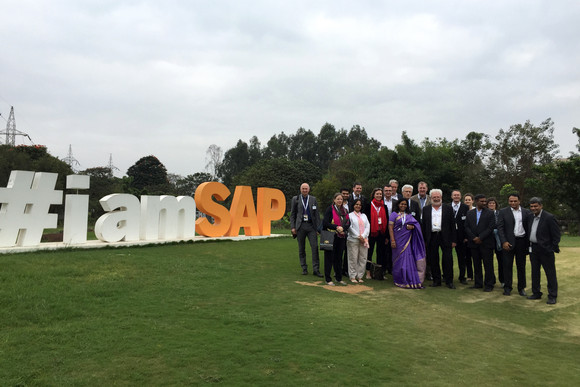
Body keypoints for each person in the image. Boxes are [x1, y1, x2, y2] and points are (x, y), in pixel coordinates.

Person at [526, 197, 560, 305]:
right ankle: (536, 293)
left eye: (536, 206)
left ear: (541, 206)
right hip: (533, 249)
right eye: (531, 206)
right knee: (535, 272)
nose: (533, 208)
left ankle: (552, 296)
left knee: (550, 273)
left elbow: (556, 235)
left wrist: (551, 248)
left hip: (545, 250)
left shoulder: (549, 217)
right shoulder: (530, 217)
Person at [497, 193, 531, 296]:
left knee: (521, 266)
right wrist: (504, 241)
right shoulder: (503, 212)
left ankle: (521, 288)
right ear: (508, 201)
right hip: (508, 242)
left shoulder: (526, 212)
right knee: (507, 266)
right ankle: (507, 288)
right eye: (511, 201)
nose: (513, 203)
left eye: (515, 201)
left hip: (521, 241)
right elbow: (500, 228)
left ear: (519, 201)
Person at [422, 189, 457, 289]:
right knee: (433, 259)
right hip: (432, 236)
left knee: (448, 259)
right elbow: (424, 225)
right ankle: (436, 280)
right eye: (434, 197)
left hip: (445, 236)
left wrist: (454, 240)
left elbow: (452, 225)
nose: (436, 199)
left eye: (438, 197)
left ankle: (449, 281)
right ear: (431, 198)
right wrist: (424, 239)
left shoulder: (448, 208)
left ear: (441, 197)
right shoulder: (426, 209)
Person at [389, 199, 426, 288]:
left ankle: (408, 279)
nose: (403, 206)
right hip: (397, 240)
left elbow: (416, 225)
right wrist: (393, 240)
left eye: (405, 204)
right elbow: (390, 228)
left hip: (407, 241)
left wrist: (412, 226)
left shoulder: (409, 215)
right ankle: (399, 279)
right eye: (402, 204)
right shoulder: (393, 215)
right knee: (398, 260)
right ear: (398, 204)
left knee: (407, 259)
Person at [464, 194, 496, 291]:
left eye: (484, 201)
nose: (484, 203)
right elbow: (466, 227)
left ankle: (489, 284)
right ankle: (478, 283)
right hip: (474, 243)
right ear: (476, 201)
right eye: (481, 201)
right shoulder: (470, 213)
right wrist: (473, 238)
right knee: (476, 264)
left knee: (488, 265)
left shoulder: (490, 213)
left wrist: (480, 237)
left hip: (486, 243)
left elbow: (491, 227)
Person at [290, 183, 322, 277]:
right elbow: (292, 214)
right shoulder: (295, 199)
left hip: (311, 226)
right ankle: (304, 268)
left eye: (306, 189)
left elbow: (317, 215)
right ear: (300, 189)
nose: (304, 190)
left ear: (309, 190)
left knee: (314, 247)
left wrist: (318, 229)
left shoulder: (313, 199)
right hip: (300, 226)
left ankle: (316, 269)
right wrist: (293, 227)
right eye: (303, 189)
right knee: (301, 248)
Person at [322, 193, 351, 286]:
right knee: (329, 258)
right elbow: (325, 223)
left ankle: (339, 278)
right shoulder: (330, 209)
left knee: (339, 258)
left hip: (341, 236)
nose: (339, 201)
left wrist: (343, 228)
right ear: (334, 200)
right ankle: (328, 279)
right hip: (331, 236)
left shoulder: (345, 210)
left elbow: (348, 222)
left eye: (341, 199)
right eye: (338, 199)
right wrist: (336, 227)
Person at [364, 188, 389, 279]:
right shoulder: (368, 206)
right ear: (373, 195)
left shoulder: (384, 206)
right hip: (371, 233)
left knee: (381, 253)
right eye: (377, 194)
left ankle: (379, 273)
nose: (379, 195)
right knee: (369, 252)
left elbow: (386, 221)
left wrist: (387, 236)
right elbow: (365, 221)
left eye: (380, 194)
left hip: (381, 233)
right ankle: (368, 272)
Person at [347, 199, 370, 283]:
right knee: (353, 258)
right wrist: (358, 236)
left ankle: (360, 276)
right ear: (353, 205)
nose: (358, 206)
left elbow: (368, 226)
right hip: (353, 239)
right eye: (356, 204)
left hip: (364, 240)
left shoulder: (364, 216)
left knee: (363, 258)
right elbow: (349, 227)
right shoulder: (350, 215)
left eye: (360, 205)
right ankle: (352, 276)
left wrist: (363, 236)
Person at [451, 190, 470, 285]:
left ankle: (462, 276)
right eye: (454, 195)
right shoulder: (446, 207)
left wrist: (466, 236)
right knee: (447, 257)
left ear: (460, 196)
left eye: (458, 195)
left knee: (462, 258)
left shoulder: (465, 207)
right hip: (449, 236)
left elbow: (467, 223)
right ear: (451, 196)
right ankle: (447, 275)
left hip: (461, 236)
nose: (456, 196)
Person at [487, 197, 504, 287]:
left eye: (493, 203)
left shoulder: (500, 213)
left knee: (501, 260)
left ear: (496, 204)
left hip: (499, 239)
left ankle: (503, 280)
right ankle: (491, 280)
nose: (491, 205)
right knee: (489, 261)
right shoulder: (485, 214)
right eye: (489, 203)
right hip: (488, 239)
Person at [463, 193, 475, 281]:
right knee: (467, 258)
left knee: (476, 258)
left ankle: (478, 275)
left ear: (472, 201)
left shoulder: (475, 210)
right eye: (466, 200)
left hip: (475, 238)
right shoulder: (463, 210)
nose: (467, 201)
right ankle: (470, 276)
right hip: (466, 238)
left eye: (469, 200)